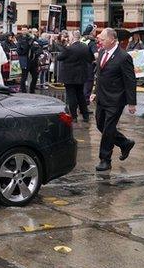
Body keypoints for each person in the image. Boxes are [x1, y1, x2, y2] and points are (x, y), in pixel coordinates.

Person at [90, 28, 137, 171]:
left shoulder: (123, 57)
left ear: (112, 39)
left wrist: (132, 102)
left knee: (109, 129)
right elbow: (99, 75)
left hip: (116, 100)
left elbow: (130, 80)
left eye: (103, 39)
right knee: (100, 125)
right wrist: (94, 92)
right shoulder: (103, 53)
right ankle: (125, 143)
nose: (100, 42)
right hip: (102, 97)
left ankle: (105, 159)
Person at [57, 31, 94, 123]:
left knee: (71, 96)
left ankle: (74, 116)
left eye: (69, 36)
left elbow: (59, 57)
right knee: (80, 95)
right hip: (81, 75)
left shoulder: (69, 48)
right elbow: (90, 58)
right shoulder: (85, 47)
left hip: (70, 76)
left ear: (73, 37)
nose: (68, 38)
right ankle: (85, 115)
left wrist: (64, 45)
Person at [81, 24, 99, 103]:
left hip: (80, 65)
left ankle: (80, 102)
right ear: (91, 32)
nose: (95, 32)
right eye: (95, 31)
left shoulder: (82, 40)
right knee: (88, 84)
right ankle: (85, 103)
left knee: (81, 84)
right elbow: (96, 55)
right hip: (88, 66)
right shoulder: (92, 42)